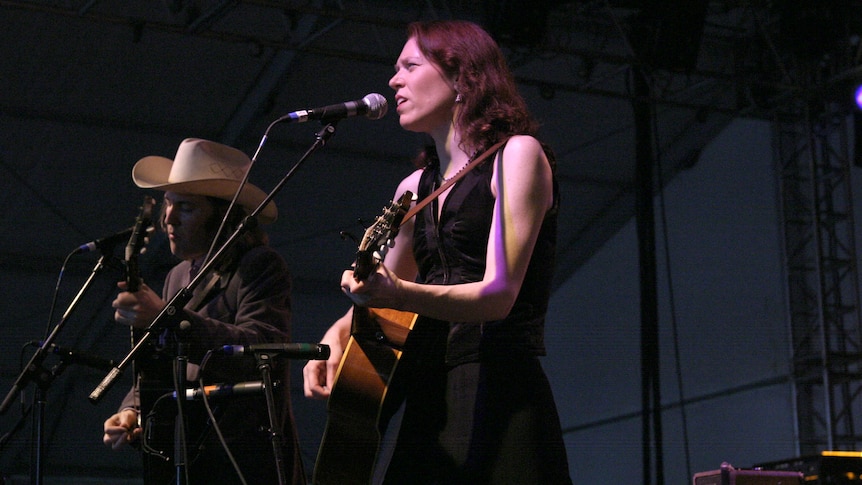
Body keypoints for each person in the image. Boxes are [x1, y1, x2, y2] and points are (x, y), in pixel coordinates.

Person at [303, 20, 572, 484]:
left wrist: (398, 294)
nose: (393, 81)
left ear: (462, 77)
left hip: (500, 388)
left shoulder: (517, 155)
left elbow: (498, 295)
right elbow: (384, 289)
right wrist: (337, 335)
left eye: (410, 65)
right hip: (431, 395)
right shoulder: (413, 188)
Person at [102, 138, 306, 485]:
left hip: (244, 460)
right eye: (168, 203)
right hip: (189, 458)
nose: (168, 218)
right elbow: (160, 367)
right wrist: (132, 411)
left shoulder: (259, 265)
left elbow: (262, 349)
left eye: (186, 208)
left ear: (224, 217)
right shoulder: (177, 276)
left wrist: (165, 317)